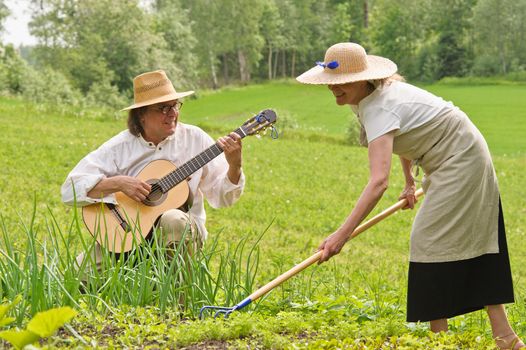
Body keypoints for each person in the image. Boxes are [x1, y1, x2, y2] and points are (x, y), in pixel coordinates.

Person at [296, 43, 523, 349]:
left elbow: (378, 183)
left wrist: (341, 235)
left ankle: (439, 341)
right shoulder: (365, 98)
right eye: (332, 83)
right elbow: (404, 136)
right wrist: (408, 182)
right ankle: (504, 338)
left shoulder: (378, 106)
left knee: (427, 240)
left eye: (342, 82)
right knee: (466, 240)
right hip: (447, 156)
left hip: (461, 158)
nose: (335, 89)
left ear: (364, 79)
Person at [62, 69, 245, 271]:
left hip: (182, 233)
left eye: (175, 105)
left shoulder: (195, 139)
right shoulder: (119, 147)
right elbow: (69, 190)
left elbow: (223, 198)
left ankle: (179, 300)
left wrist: (235, 165)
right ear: (142, 114)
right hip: (127, 235)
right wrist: (119, 183)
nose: (173, 113)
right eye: (163, 108)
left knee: (173, 220)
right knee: (75, 277)